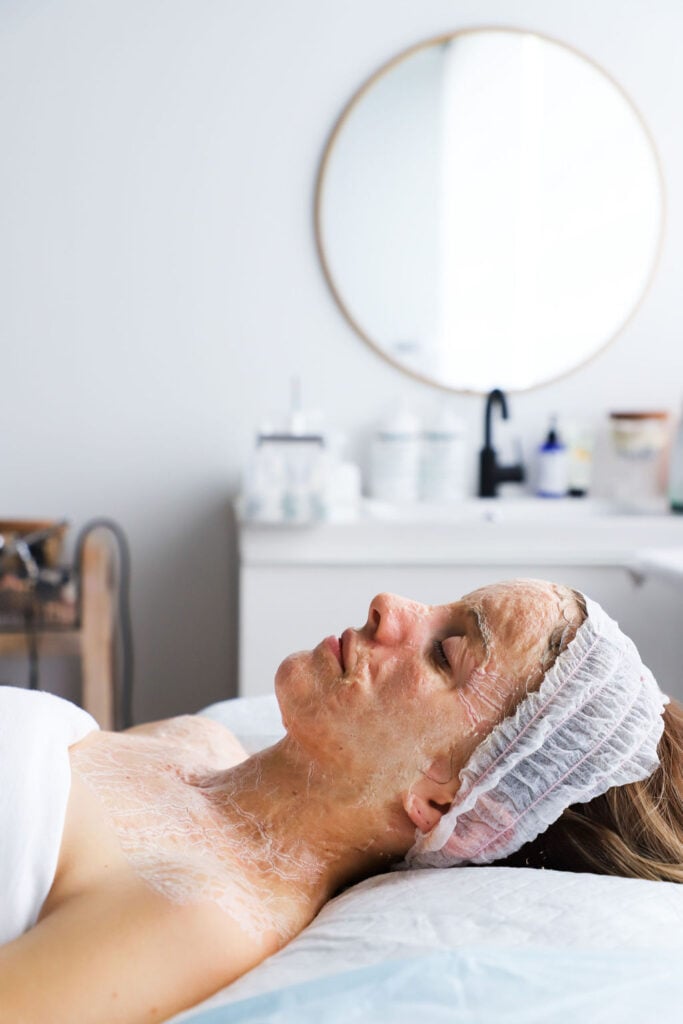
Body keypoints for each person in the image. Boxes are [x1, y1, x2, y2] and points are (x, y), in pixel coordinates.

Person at [0, 579, 679, 1024]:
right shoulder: (197, 739)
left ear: (445, 801)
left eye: (445, 653)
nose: (389, 605)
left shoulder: (203, 913)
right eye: (441, 605)